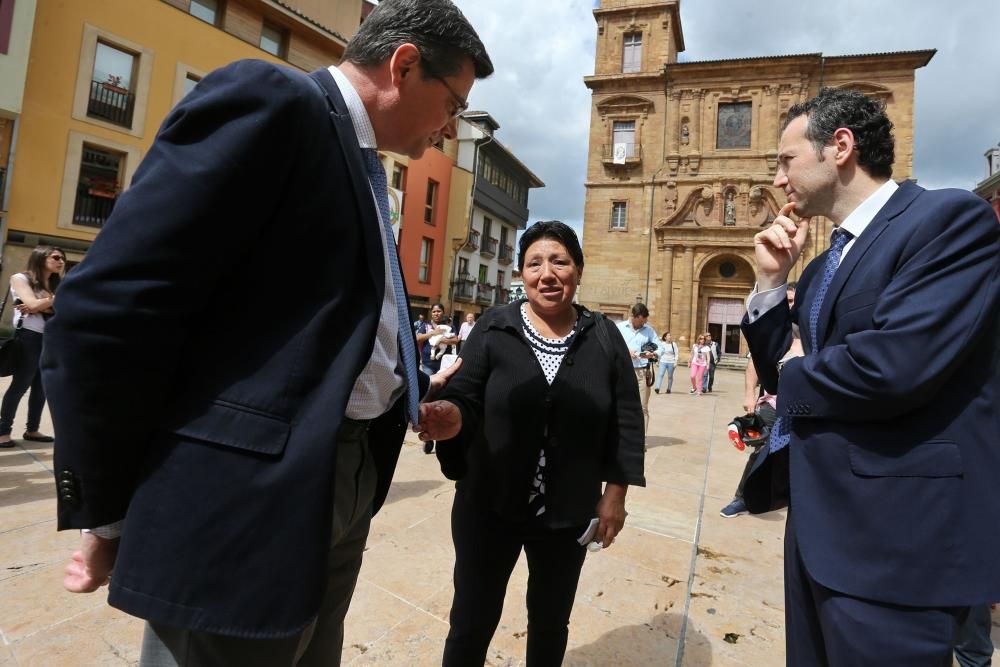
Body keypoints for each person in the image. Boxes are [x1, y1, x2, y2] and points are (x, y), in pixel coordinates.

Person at [43, 1, 492, 665]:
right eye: (453, 103)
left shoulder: (367, 166)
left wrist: (408, 390)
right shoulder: (274, 102)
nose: (451, 129)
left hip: (344, 479)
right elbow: (112, 306)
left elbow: (306, 323)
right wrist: (109, 510)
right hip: (242, 507)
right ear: (403, 65)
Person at [742, 87, 999, 664]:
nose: (779, 180)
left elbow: (890, 366)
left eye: (786, 161)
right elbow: (781, 369)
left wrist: (792, 372)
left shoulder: (947, 221)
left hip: (894, 544)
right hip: (820, 533)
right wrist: (769, 284)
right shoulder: (820, 269)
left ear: (840, 147)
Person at [418, 220, 645, 666]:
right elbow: (467, 391)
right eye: (534, 263)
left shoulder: (604, 336)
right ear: (521, 275)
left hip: (568, 510)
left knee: (549, 622)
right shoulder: (494, 326)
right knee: (470, 619)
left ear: (578, 270)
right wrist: (452, 415)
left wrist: (615, 495)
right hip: (489, 504)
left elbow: (626, 417)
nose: (547, 273)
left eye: (559, 261)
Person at [0, 245, 64, 447]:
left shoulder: (56, 284)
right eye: (55, 257)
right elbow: (33, 305)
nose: (60, 261)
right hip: (29, 337)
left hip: (51, 338)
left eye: (62, 258)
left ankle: (32, 429)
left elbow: (63, 308)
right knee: (20, 385)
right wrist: (51, 302)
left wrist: (41, 303)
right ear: (40, 257)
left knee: (42, 388)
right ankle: (3, 432)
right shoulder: (21, 278)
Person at [617, 303, 664, 433]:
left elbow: (660, 346)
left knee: (642, 407)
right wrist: (626, 350)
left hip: (642, 372)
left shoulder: (648, 330)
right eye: (641, 321)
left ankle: (641, 440)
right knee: (621, 405)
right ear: (633, 316)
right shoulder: (619, 328)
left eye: (645, 321)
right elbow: (611, 345)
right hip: (623, 371)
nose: (643, 324)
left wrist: (654, 353)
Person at [416, 303, 460, 375]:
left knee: (442, 385)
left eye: (439, 311)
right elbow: (417, 338)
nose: (436, 314)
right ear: (431, 313)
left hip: (444, 364)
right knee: (430, 384)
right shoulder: (426, 325)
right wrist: (433, 333)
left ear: (443, 312)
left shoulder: (450, 326)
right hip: (428, 363)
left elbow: (455, 341)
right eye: (434, 311)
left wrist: (441, 340)